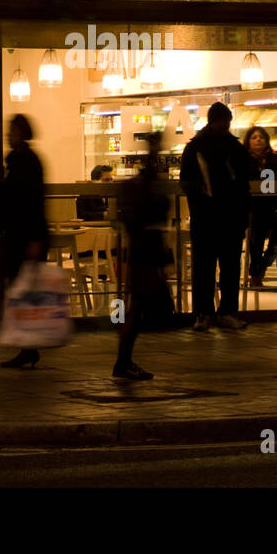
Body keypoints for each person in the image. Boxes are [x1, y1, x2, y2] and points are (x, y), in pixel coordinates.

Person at [0, 113, 50, 368]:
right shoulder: (20, 161)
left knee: (22, 291)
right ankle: (27, 346)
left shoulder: (26, 162)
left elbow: (30, 202)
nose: (8, 136)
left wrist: (34, 238)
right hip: (21, 236)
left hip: (25, 236)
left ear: (21, 133)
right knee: (21, 291)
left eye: (11, 131)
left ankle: (28, 346)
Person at [179, 101, 253, 331]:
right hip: (230, 216)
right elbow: (249, 177)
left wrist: (199, 194)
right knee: (229, 267)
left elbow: (185, 182)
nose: (225, 126)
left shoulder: (195, 147)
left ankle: (204, 314)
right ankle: (227, 312)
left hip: (204, 216)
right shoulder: (234, 148)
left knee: (204, 267)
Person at [112, 132, 173, 380]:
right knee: (137, 305)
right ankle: (123, 360)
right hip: (148, 247)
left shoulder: (139, 186)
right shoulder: (150, 185)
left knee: (137, 303)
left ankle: (124, 359)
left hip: (140, 246)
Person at [244, 126, 277, 288]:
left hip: (270, 206)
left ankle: (263, 264)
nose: (258, 140)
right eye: (254, 137)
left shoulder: (273, 158)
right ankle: (256, 272)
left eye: (261, 137)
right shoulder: (243, 159)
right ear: (248, 141)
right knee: (258, 229)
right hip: (250, 207)